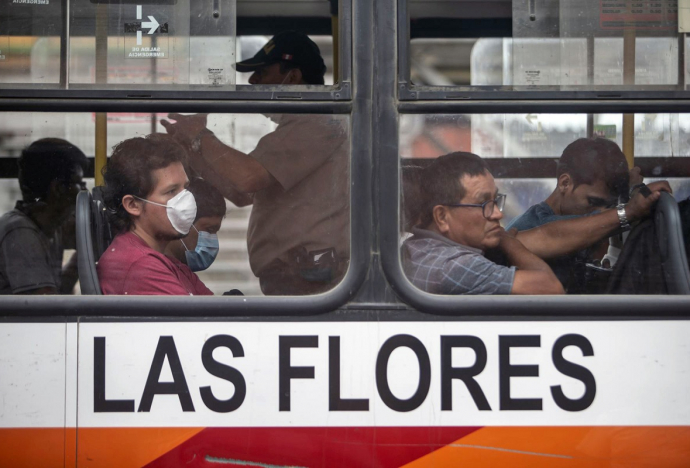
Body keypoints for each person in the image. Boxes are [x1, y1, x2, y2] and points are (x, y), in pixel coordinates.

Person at [161, 31, 349, 295]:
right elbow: (242, 193)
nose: (252, 80)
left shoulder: (317, 124)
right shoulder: (301, 128)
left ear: (292, 77)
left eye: (262, 72)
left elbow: (248, 178)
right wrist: (191, 152)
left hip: (310, 279)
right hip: (298, 277)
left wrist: (200, 136)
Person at [506, 138, 671, 292]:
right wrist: (630, 211)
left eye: (609, 206)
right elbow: (553, 234)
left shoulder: (585, 225)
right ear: (565, 183)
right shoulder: (531, 225)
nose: (601, 213)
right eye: (593, 202)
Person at [403, 152, 564, 295]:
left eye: (495, 201)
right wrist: (507, 240)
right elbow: (551, 288)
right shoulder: (454, 267)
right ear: (442, 216)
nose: (498, 213)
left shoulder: (419, 248)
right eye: (482, 204)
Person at [97, 134, 213, 296]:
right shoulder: (140, 267)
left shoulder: (165, 262)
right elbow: (202, 321)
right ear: (133, 205)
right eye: (171, 191)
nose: (186, 199)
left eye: (185, 187)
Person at [0, 138, 87, 295]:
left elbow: (58, 294)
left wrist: (85, 254)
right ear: (59, 188)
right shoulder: (20, 231)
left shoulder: (50, 227)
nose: (84, 191)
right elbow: (45, 308)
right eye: (79, 183)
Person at [164, 177, 226, 272]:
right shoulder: (157, 271)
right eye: (209, 230)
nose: (212, 242)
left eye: (215, 232)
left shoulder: (183, 273)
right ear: (182, 222)